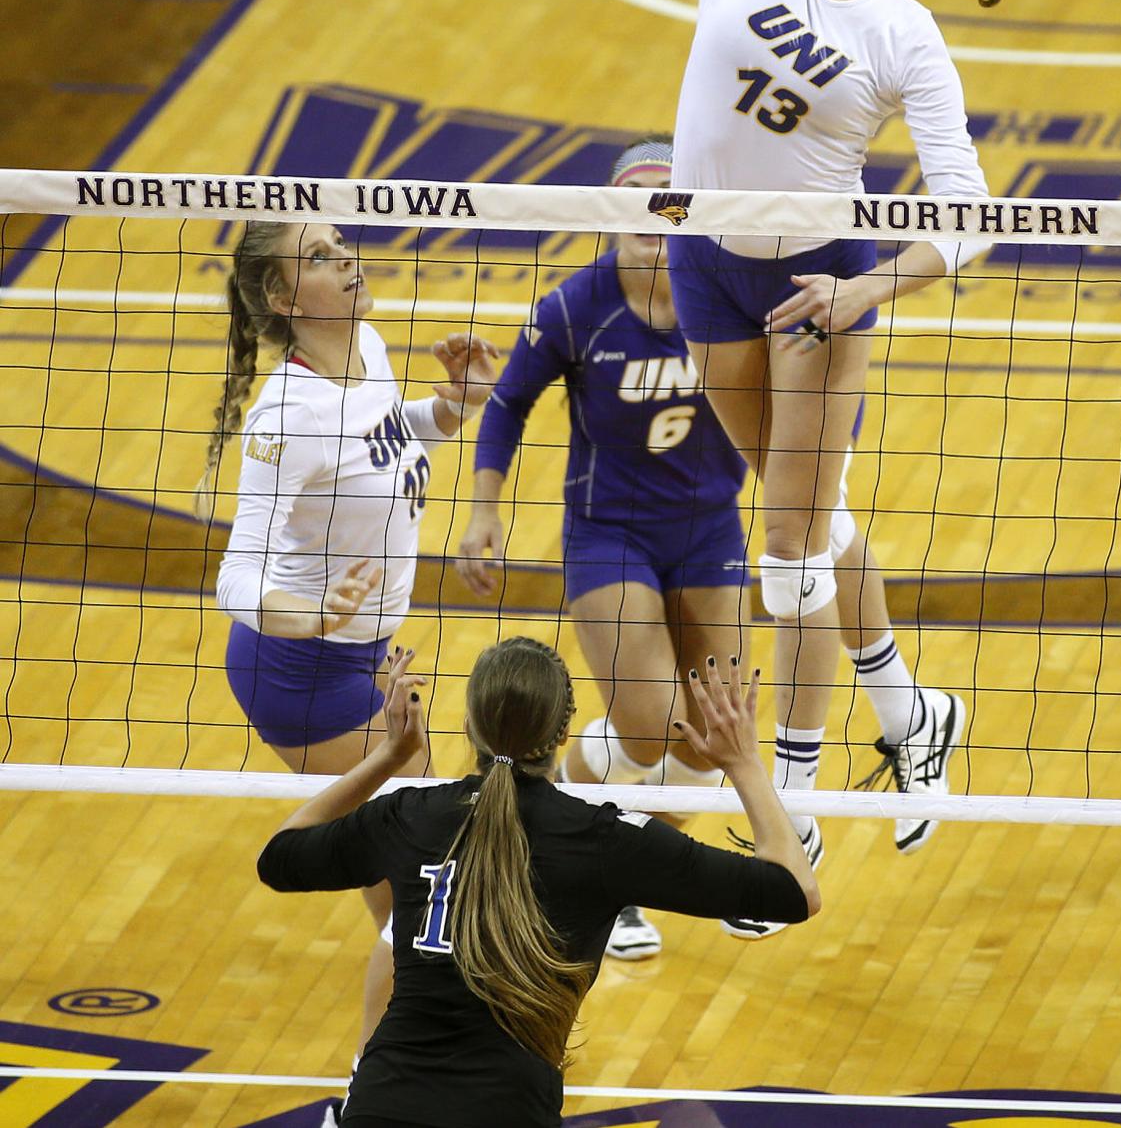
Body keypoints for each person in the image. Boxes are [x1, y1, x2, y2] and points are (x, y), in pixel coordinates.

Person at [667, 0, 999, 906]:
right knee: (813, 512)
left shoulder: (904, 34)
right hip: (704, 260)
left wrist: (863, 288)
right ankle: (914, 705)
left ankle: (789, 818)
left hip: (820, 283)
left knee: (789, 550)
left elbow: (968, 215)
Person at [257, 636, 819, 1128]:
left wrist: (388, 755)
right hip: (508, 1111)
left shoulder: (410, 815)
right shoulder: (611, 840)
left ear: (469, 725)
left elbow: (279, 858)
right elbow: (795, 892)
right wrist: (743, 763)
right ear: (564, 731)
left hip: (383, 1105)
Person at [199, 217, 497, 1102]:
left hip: (363, 660)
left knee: (424, 887)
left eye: (340, 245)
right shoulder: (281, 418)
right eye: (321, 258)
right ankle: (377, 1093)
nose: (347, 260)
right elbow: (234, 575)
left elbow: (385, 441)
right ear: (286, 300)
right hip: (302, 674)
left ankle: (418, 1057)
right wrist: (309, 609)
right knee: (426, 892)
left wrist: (452, 406)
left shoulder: (366, 340)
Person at [455, 139, 752, 962]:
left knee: (717, 733)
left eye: (670, 203)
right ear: (611, 213)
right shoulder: (575, 306)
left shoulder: (726, 296)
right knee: (653, 727)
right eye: (637, 204)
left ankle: (612, 879)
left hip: (711, 529)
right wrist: (484, 510)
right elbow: (508, 401)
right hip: (609, 533)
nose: (654, 220)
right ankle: (566, 807)